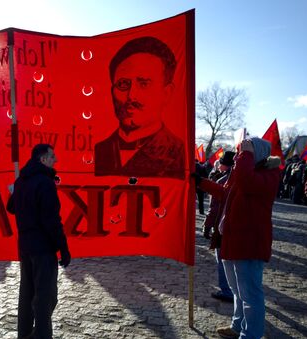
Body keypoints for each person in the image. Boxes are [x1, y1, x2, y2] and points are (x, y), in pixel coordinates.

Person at [194, 138, 281, 339]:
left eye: (245, 151)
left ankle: (250, 335)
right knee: (237, 291)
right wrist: (199, 182)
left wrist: (246, 155)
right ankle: (237, 326)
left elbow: (246, 183)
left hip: (249, 243)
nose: (239, 155)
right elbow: (225, 193)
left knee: (250, 294)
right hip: (231, 240)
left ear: (256, 153)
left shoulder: (269, 174)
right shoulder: (244, 172)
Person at [94, 36, 184, 178]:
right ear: (112, 91)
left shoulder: (179, 153)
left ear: (167, 93)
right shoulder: (97, 151)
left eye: (144, 84)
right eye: (123, 84)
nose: (131, 96)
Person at [6, 144, 71, 339]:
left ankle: (24, 334)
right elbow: (52, 220)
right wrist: (63, 248)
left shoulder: (22, 181)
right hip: (42, 248)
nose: (55, 160)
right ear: (42, 159)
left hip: (25, 246)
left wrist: (19, 196)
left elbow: (11, 207)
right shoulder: (44, 182)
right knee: (46, 297)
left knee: (27, 294)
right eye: (52, 156)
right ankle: (41, 336)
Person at [202, 151, 236, 303]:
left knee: (223, 261)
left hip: (223, 227)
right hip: (232, 227)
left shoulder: (224, 181)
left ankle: (227, 290)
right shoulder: (230, 178)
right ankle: (233, 290)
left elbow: (215, 208)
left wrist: (207, 226)